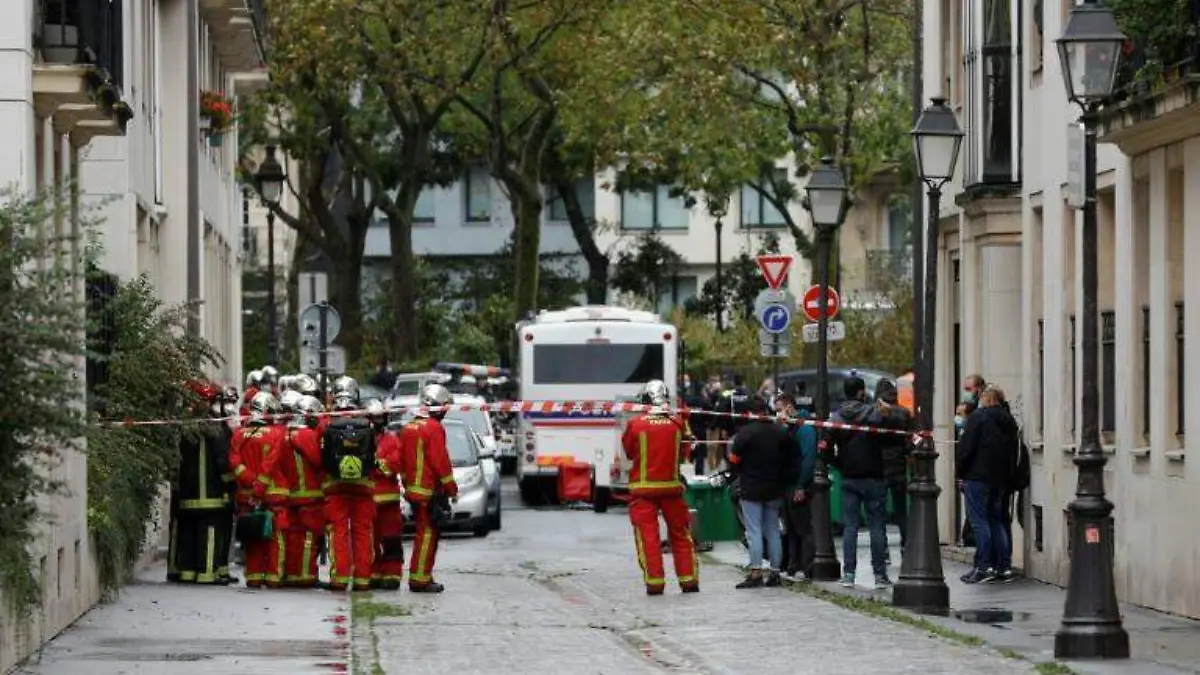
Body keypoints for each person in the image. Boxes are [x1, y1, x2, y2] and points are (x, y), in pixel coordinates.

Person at [823, 376, 908, 590]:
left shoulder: (837, 416)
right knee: (877, 527)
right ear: (862, 392)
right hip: (874, 475)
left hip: (850, 477)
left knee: (850, 527)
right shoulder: (873, 413)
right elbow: (896, 434)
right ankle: (879, 574)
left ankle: (849, 574)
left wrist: (840, 464)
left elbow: (824, 447)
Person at [621, 379, 699, 595]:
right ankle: (689, 580)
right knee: (681, 534)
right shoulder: (677, 422)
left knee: (648, 537)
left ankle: (655, 583)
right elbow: (685, 452)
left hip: (643, 489)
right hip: (671, 488)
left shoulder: (636, 424)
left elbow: (629, 452)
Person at [728, 395, 800, 589]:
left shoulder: (745, 433)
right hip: (774, 488)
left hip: (751, 487)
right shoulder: (780, 432)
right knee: (773, 530)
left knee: (754, 531)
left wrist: (740, 472)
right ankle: (775, 572)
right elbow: (794, 457)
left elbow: (733, 459)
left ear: (749, 413)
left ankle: (756, 572)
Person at [169, 380, 235, 585]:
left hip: (186, 496)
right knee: (209, 534)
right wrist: (231, 485)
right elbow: (223, 462)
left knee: (188, 534)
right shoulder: (215, 429)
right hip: (211, 496)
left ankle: (187, 573)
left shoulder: (183, 427)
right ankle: (206, 574)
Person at [395, 384, 459, 593]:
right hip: (428, 491)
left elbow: (402, 461)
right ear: (437, 406)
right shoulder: (433, 428)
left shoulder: (408, 427)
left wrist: (407, 485)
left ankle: (423, 574)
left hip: (414, 490)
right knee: (427, 535)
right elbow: (440, 461)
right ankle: (419, 579)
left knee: (423, 534)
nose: (446, 411)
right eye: (444, 407)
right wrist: (451, 488)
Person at [956, 386, 1019, 584]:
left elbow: (966, 448)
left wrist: (960, 472)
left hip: (977, 476)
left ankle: (984, 566)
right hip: (1000, 478)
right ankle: (1004, 566)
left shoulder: (978, 417)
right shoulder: (1009, 420)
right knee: (997, 520)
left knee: (979, 521)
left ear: (986, 399)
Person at [229, 391, 290, 588]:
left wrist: (250, 482)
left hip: (246, 495)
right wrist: (259, 487)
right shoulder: (276, 434)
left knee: (252, 537)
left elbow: (234, 463)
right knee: (275, 536)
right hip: (273, 494)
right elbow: (270, 464)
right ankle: (273, 577)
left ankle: (254, 576)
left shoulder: (239, 434)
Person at [322, 378, 377, 592]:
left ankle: (340, 579)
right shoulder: (367, 423)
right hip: (363, 488)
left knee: (339, 534)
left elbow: (321, 455)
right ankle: (363, 579)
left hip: (335, 488)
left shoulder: (327, 422)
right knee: (363, 533)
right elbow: (374, 455)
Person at [282, 394, 327, 588]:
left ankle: (293, 574)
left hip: (290, 494)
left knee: (294, 536)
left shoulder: (284, 433)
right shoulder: (307, 435)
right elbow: (317, 461)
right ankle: (307, 575)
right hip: (310, 493)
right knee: (310, 536)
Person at [776, 394, 817, 581]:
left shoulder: (804, 428)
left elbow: (808, 459)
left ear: (789, 408)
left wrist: (801, 486)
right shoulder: (789, 428)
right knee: (791, 528)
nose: (777, 414)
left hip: (797, 484)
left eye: (779, 410)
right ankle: (794, 564)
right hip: (787, 484)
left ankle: (808, 566)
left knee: (802, 527)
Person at [368, 399, 406, 590]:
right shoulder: (360, 438)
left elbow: (396, 464)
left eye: (380, 417)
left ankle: (392, 574)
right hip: (368, 499)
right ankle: (372, 574)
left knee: (391, 538)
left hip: (388, 500)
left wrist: (377, 465)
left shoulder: (391, 439)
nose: (378, 421)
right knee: (370, 540)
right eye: (375, 418)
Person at [875, 378, 915, 552]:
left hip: (879, 465)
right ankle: (906, 543)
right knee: (901, 509)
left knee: (879, 511)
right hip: (899, 465)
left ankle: (882, 548)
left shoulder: (875, 412)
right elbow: (910, 440)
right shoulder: (904, 413)